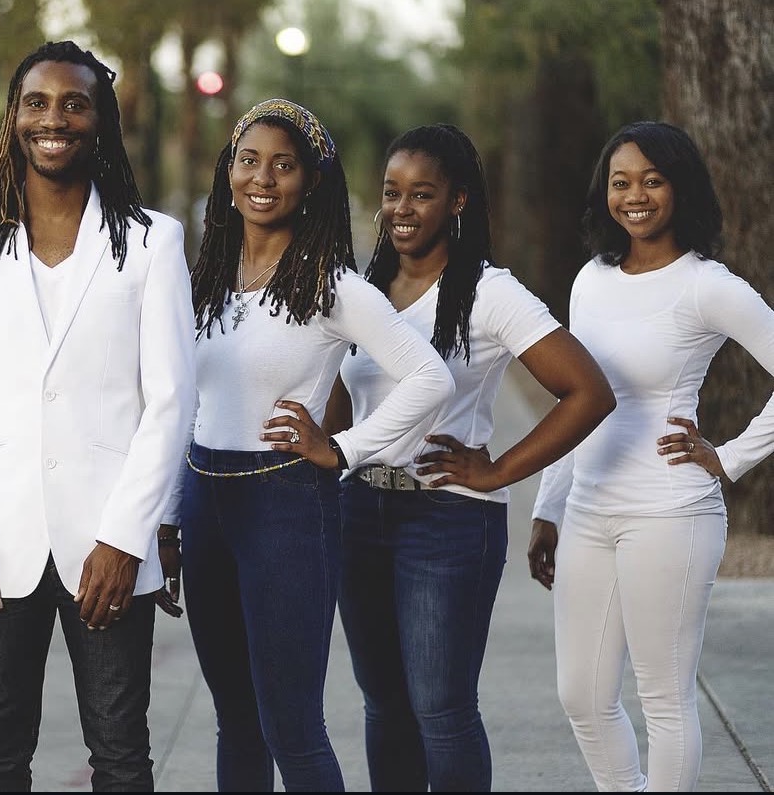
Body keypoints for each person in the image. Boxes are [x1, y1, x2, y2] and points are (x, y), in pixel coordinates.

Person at [0, 41, 195, 792]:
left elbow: (171, 400)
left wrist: (127, 536)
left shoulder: (152, 240)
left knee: (121, 751)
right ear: (14, 117)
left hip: (109, 545)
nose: (54, 119)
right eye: (37, 103)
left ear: (101, 121)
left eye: (75, 104)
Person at [160, 99, 455, 792]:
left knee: (291, 727)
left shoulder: (333, 285)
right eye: (249, 160)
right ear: (228, 171)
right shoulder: (203, 278)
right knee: (236, 720)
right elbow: (184, 406)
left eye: (284, 165)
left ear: (312, 181)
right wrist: (169, 518)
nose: (263, 178)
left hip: (286, 507)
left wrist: (344, 449)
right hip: (205, 502)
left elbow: (429, 377)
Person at [325, 123, 615, 792]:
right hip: (358, 513)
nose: (401, 208)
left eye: (421, 194)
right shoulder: (364, 287)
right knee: (383, 703)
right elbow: (342, 404)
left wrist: (499, 470)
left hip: (447, 520)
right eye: (391, 192)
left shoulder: (489, 292)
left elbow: (589, 392)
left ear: (457, 200)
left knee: (441, 709)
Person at [529, 121, 774, 792]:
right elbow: (575, 399)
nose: (634, 196)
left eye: (653, 180)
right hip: (588, 511)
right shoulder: (591, 278)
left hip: (670, 512)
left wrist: (730, 457)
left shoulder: (707, 285)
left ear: (681, 187)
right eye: (621, 182)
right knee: (582, 694)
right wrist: (549, 507)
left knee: (663, 695)